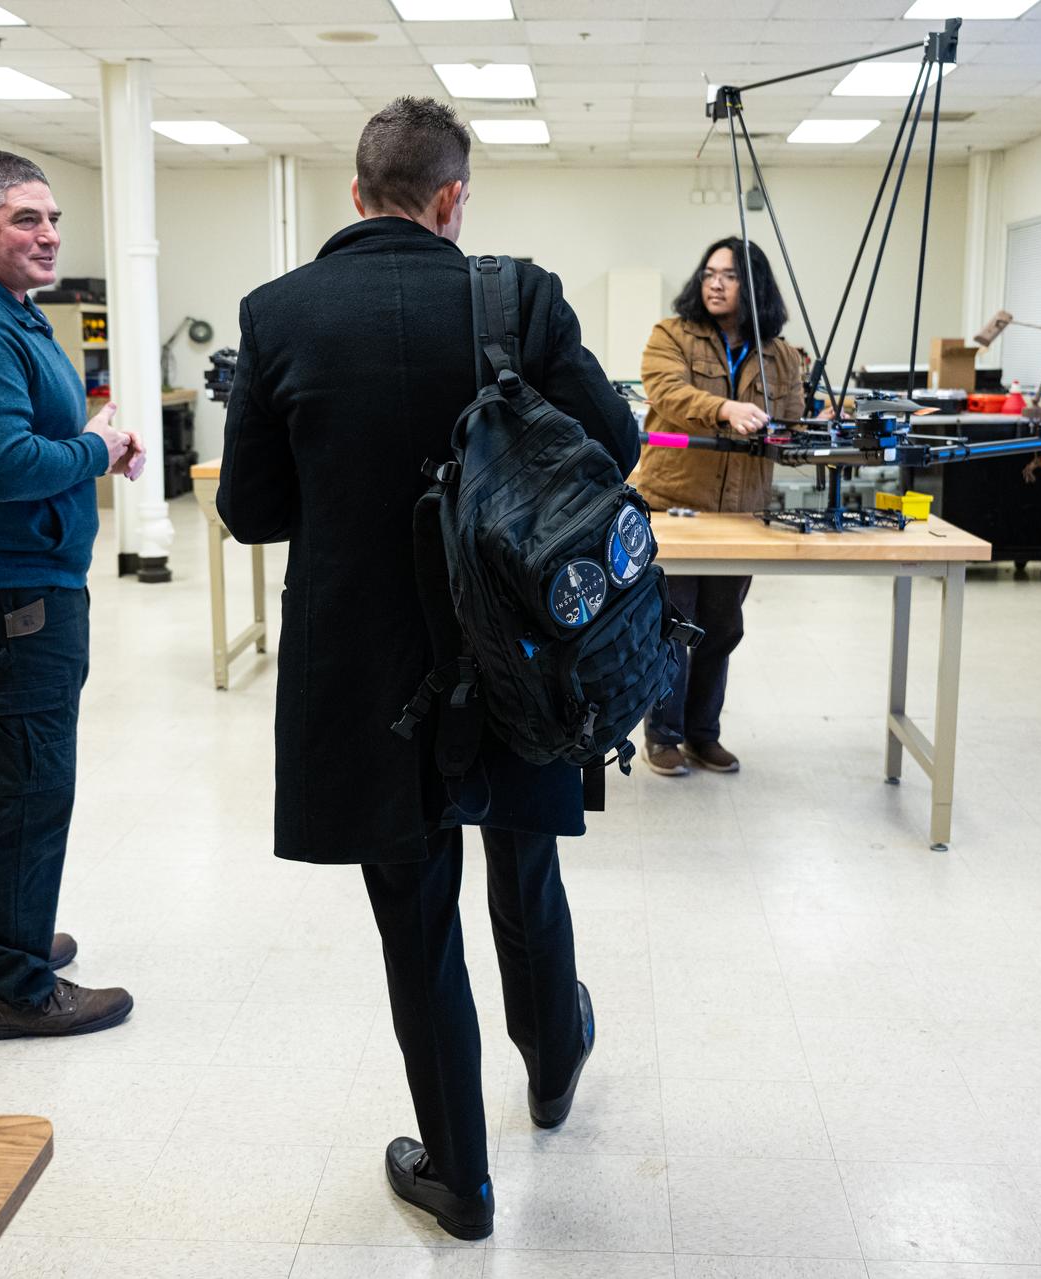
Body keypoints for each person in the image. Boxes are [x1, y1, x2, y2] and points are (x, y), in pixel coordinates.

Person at [216, 98, 637, 1241]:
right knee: (525, 859)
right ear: (453, 199)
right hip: (517, 648)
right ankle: (553, 1063)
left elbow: (250, 509)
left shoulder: (278, 314)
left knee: (414, 911)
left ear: (355, 195)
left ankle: (460, 1179)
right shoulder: (521, 295)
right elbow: (620, 444)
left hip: (364, 671)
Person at [0, 150, 144, 1041]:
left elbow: (25, 433)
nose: (46, 235)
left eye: (50, 218)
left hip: (6, 582)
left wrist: (88, 438)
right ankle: (12, 986)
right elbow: (2, 466)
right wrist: (98, 451)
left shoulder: (5, 310)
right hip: (3, 595)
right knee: (26, 782)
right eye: (23, 220)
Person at [629, 236, 806, 778]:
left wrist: (801, 437)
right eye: (709, 272)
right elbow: (666, 393)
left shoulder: (779, 354)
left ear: (753, 286)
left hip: (742, 513)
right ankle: (663, 735)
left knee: (722, 626)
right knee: (673, 623)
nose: (715, 282)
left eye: (729, 275)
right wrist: (726, 408)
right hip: (675, 505)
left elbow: (793, 420)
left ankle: (705, 735)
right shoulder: (671, 335)